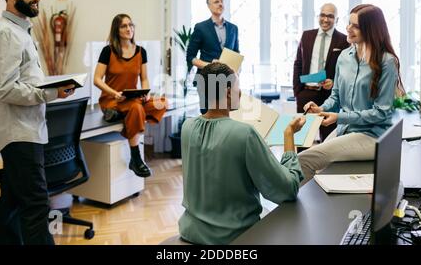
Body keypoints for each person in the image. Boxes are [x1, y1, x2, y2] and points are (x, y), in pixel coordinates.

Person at [0, 0, 75, 245]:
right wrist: (49, 94)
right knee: (36, 205)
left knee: (12, 200)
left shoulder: (20, 31)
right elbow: (3, 87)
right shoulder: (5, 34)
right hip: (17, 131)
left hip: (26, 127)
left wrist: (52, 91)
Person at [178, 63, 305, 245]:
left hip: (191, 232)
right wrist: (289, 135)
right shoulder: (245, 134)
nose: (240, 93)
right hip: (235, 237)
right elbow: (286, 190)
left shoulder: (187, 127)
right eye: (239, 87)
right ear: (228, 92)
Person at [298, 4, 404, 185]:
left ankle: (292, 210)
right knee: (313, 165)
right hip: (345, 131)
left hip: (372, 136)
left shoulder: (387, 62)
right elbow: (336, 96)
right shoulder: (345, 56)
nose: (348, 28)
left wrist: (339, 117)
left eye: (355, 26)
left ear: (371, 30)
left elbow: (381, 113)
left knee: (303, 159)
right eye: (349, 23)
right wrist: (321, 108)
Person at [94, 14, 167, 178]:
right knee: (136, 108)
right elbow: (97, 79)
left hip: (132, 98)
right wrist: (114, 93)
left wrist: (146, 93)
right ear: (117, 30)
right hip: (113, 100)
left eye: (131, 25)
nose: (129, 29)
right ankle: (136, 158)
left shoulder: (141, 51)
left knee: (161, 102)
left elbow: (144, 78)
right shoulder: (108, 51)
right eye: (124, 26)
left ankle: (128, 116)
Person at [293, 3, 349, 141]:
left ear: (336, 19)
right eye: (323, 15)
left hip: (329, 96)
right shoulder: (307, 36)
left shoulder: (343, 40)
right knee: (302, 138)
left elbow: (346, 70)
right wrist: (297, 92)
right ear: (318, 16)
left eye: (330, 16)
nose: (325, 19)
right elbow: (298, 64)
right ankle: (300, 162)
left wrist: (334, 82)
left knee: (328, 138)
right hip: (306, 93)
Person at [186, 0, 239, 114]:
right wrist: (210, 65)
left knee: (227, 116)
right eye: (216, 2)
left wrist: (237, 73)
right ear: (209, 6)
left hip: (228, 80)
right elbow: (190, 57)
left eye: (222, 1)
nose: (220, 4)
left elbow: (236, 53)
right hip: (206, 79)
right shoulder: (200, 27)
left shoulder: (233, 28)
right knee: (208, 116)